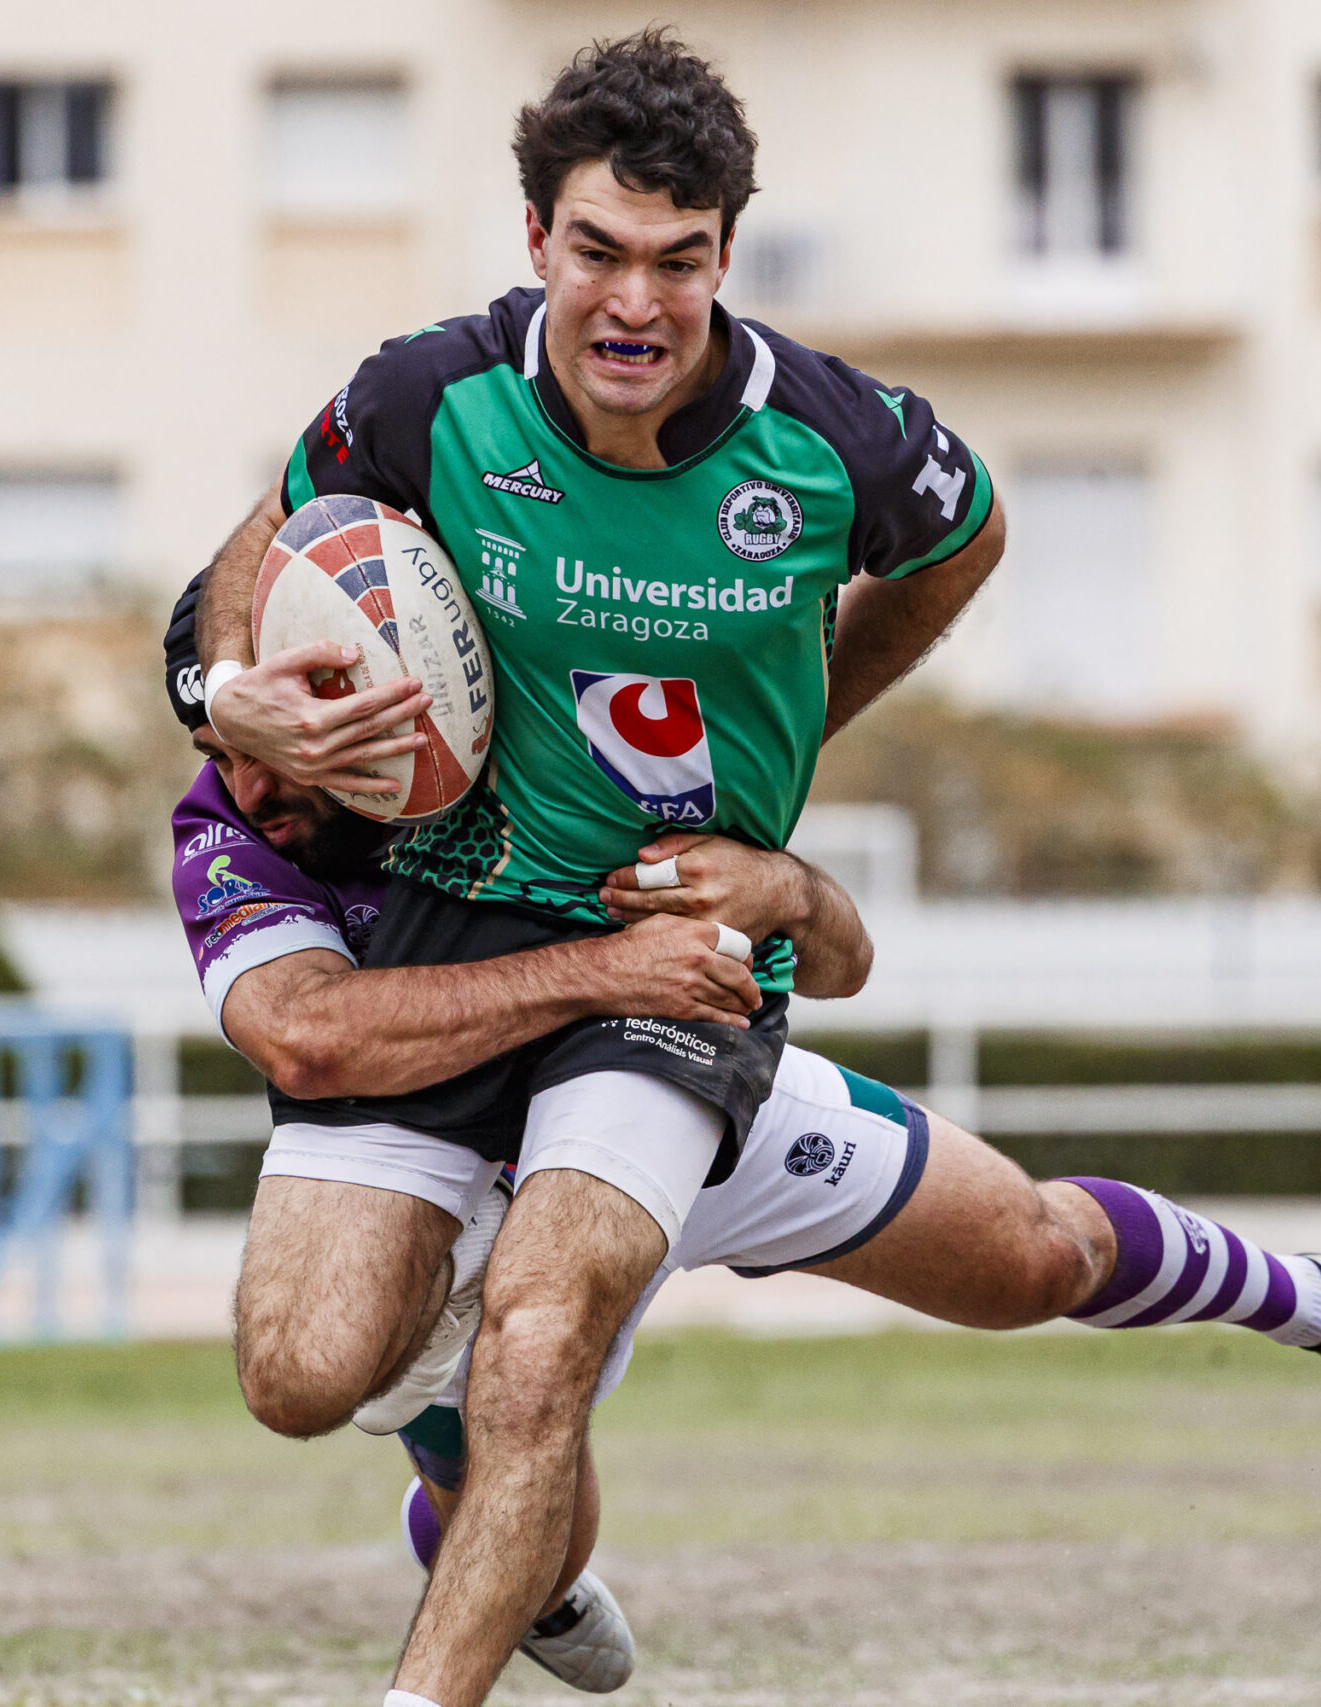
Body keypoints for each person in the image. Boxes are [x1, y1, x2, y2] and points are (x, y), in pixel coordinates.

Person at [161, 595, 1321, 1700]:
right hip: (443, 1196)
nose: (252, 788)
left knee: (1036, 1256)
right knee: (523, 1505)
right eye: (229, 748)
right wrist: (603, 975)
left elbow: (841, 958)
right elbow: (310, 1035)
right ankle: (490, 1546)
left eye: (281, 750)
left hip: (681, 1094)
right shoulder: (228, 831)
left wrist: (787, 887)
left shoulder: (549, 741)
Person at [190, 34, 1009, 1706]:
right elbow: (258, 545)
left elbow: (966, 534)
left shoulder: (832, 436)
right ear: (536, 238)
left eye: (679, 261)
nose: (636, 301)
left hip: (675, 959)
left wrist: (805, 719)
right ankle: (469, 1474)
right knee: (297, 1372)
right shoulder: (427, 394)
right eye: (599, 253)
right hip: (457, 914)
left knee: (544, 1342)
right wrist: (231, 687)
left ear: (727, 251)